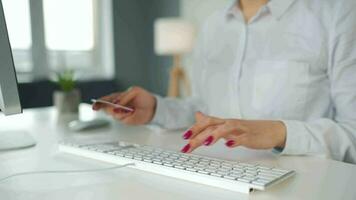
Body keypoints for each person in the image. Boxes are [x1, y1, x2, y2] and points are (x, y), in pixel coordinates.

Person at [93, 0, 356, 164]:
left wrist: (279, 132)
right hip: (216, 174)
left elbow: (352, 135)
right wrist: (155, 109)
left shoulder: (339, 15)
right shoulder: (213, 26)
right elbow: (204, 108)